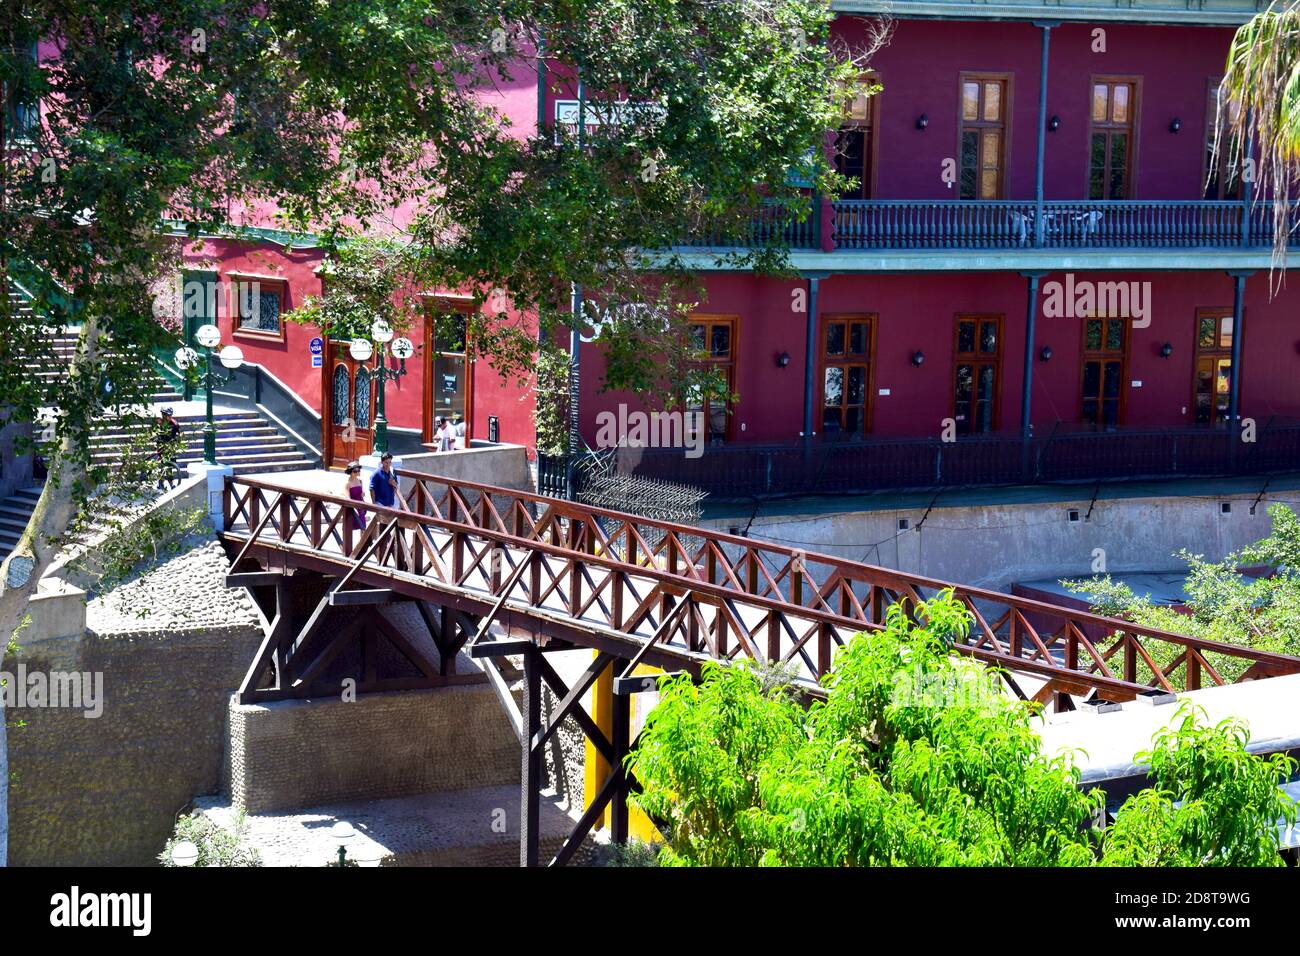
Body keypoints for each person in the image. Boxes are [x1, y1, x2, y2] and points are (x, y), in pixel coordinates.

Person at [154, 407, 182, 489]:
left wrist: (178, 442)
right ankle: (169, 484)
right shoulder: (159, 423)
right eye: (168, 415)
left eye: (171, 415)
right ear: (163, 415)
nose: (170, 417)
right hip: (162, 446)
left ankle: (161, 482)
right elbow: (154, 432)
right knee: (164, 464)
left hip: (171, 446)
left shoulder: (174, 424)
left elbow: (179, 434)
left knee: (170, 465)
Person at [344, 461, 367, 532]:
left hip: (361, 504)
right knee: (350, 525)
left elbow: (362, 493)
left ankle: (363, 540)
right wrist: (352, 504)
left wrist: (363, 493)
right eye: (355, 471)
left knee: (363, 523)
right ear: (350, 472)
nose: (357, 472)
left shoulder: (360, 481)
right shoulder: (348, 483)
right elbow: (347, 496)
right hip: (353, 505)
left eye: (358, 470)